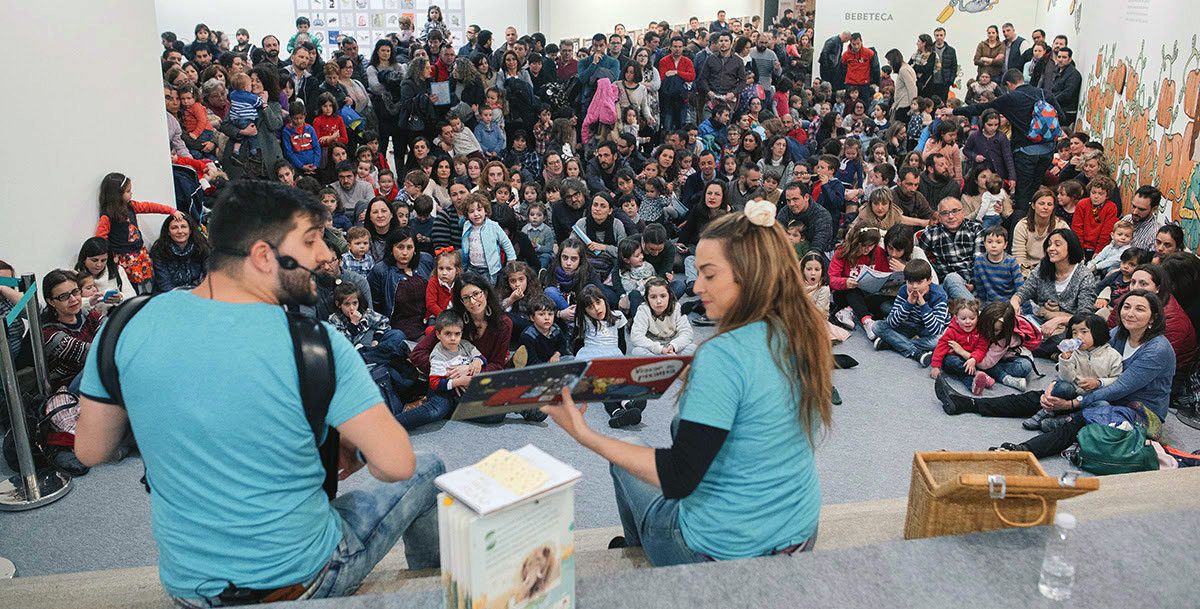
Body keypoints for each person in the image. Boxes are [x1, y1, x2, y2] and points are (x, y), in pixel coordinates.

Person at [74, 180, 443, 604]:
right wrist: (356, 450)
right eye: (310, 242)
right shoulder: (315, 344)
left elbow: (91, 449)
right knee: (427, 468)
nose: (325, 256)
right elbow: (395, 464)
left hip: (189, 589)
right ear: (265, 256)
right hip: (301, 580)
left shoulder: (124, 324)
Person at [541, 200, 831, 566]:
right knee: (682, 429)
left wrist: (585, 434)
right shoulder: (804, 330)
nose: (696, 285)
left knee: (625, 449)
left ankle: (644, 551)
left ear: (748, 275)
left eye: (709, 274)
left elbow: (679, 477)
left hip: (716, 553)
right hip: (800, 534)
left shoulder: (722, 356)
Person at [937, 290, 1175, 459]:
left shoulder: (1157, 349)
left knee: (1079, 419)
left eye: (1140, 309)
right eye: (1127, 306)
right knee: (1040, 396)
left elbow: (1121, 387)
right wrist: (1055, 387)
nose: (1130, 313)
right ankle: (967, 403)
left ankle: (1018, 452)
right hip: (1098, 391)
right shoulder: (1117, 334)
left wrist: (1073, 402)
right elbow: (1079, 361)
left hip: (1137, 410)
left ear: (1153, 318)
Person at [954, 69, 1062, 215]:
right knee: (1035, 190)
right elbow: (1062, 117)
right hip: (1047, 151)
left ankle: (1021, 227)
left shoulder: (1011, 98)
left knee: (1022, 194)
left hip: (1025, 152)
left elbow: (981, 108)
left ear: (1008, 84)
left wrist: (954, 111)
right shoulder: (1044, 93)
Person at [1020, 313, 1123, 432]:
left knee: (1103, 406)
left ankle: (1064, 421)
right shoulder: (1074, 353)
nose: (1078, 337)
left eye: (1084, 332)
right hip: (1073, 391)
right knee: (1063, 386)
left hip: (1093, 396)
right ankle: (1047, 411)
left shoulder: (1112, 355)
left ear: (1097, 332)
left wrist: (1099, 382)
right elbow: (1065, 378)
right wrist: (1065, 360)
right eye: (1074, 332)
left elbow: (1117, 379)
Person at [1009, 228, 1098, 357]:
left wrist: (1058, 320)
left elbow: (1084, 316)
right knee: (1011, 324)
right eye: (1049, 244)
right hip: (1041, 321)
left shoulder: (1084, 275)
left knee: (1061, 340)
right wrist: (1015, 301)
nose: (1051, 248)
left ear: (1071, 247)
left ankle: (1021, 347)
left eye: (1057, 244)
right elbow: (1024, 291)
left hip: (1069, 328)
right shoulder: (1043, 267)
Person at [871, 258, 950, 366]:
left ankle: (891, 343)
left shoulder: (939, 295)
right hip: (911, 326)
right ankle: (916, 353)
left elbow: (936, 329)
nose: (914, 286)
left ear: (929, 280)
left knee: (939, 341)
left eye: (919, 282)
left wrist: (923, 305)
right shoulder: (904, 290)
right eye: (910, 282)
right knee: (877, 326)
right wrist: (908, 304)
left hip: (929, 331)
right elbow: (891, 322)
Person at [918, 197, 984, 301]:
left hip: (974, 283)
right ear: (939, 216)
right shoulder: (930, 234)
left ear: (963, 212)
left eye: (955, 211)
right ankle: (976, 312)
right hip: (945, 286)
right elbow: (919, 262)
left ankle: (972, 309)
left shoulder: (975, 229)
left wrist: (974, 284)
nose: (951, 216)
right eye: (945, 213)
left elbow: (979, 261)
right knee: (951, 278)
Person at [1013, 187, 1070, 277]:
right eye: (1041, 203)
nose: (1045, 207)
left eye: (1049, 204)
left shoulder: (1061, 226)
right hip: (1027, 270)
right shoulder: (1022, 225)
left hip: (1052, 270)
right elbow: (1018, 256)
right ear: (1033, 205)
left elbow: (1068, 252)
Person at [149, 214, 210, 293]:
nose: (180, 231)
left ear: (190, 230)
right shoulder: (159, 250)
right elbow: (164, 284)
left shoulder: (201, 247)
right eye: (174, 228)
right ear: (168, 232)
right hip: (168, 294)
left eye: (183, 227)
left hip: (196, 292)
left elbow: (210, 275)